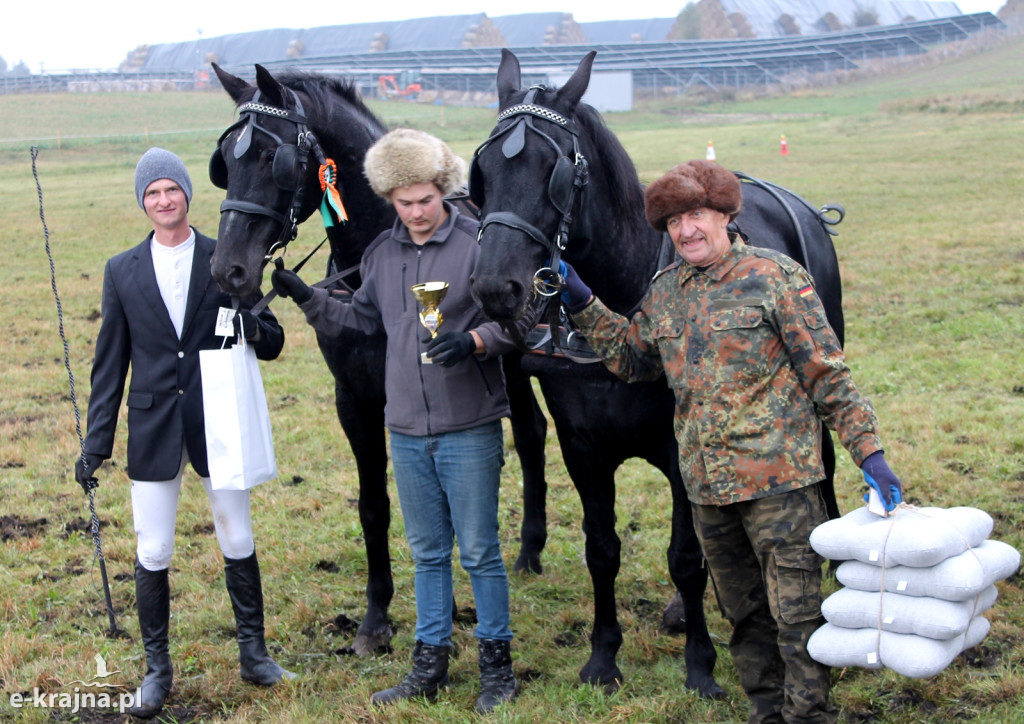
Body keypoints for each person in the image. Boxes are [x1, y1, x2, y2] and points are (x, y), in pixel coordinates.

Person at [559, 160, 904, 724]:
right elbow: (629, 356)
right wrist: (580, 298)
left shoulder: (775, 277)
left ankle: (808, 714)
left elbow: (827, 374)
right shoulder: (666, 293)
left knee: (795, 612)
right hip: (708, 492)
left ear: (724, 214)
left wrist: (869, 453)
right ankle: (767, 709)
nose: (685, 231)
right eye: (672, 222)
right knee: (743, 614)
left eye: (695, 215)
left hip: (781, 485)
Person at [270, 128, 519, 714]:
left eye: (425, 200)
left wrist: (478, 340)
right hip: (405, 431)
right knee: (427, 552)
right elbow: (357, 320)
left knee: (480, 552)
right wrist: (305, 296)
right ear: (390, 200)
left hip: (468, 427)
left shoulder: (478, 246)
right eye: (404, 204)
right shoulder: (382, 255)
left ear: (443, 189)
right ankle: (429, 662)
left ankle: (496, 668)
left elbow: (519, 323)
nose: (416, 213)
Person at [73, 147, 294, 719]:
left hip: (218, 421)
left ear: (188, 195)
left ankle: (255, 654)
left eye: (171, 189)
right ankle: (156, 670)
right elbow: (109, 364)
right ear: (143, 204)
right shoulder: (121, 270)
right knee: (153, 549)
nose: (163, 200)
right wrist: (96, 444)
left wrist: (251, 325)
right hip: (151, 427)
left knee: (236, 537)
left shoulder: (227, 256)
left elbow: (271, 342)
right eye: (152, 193)